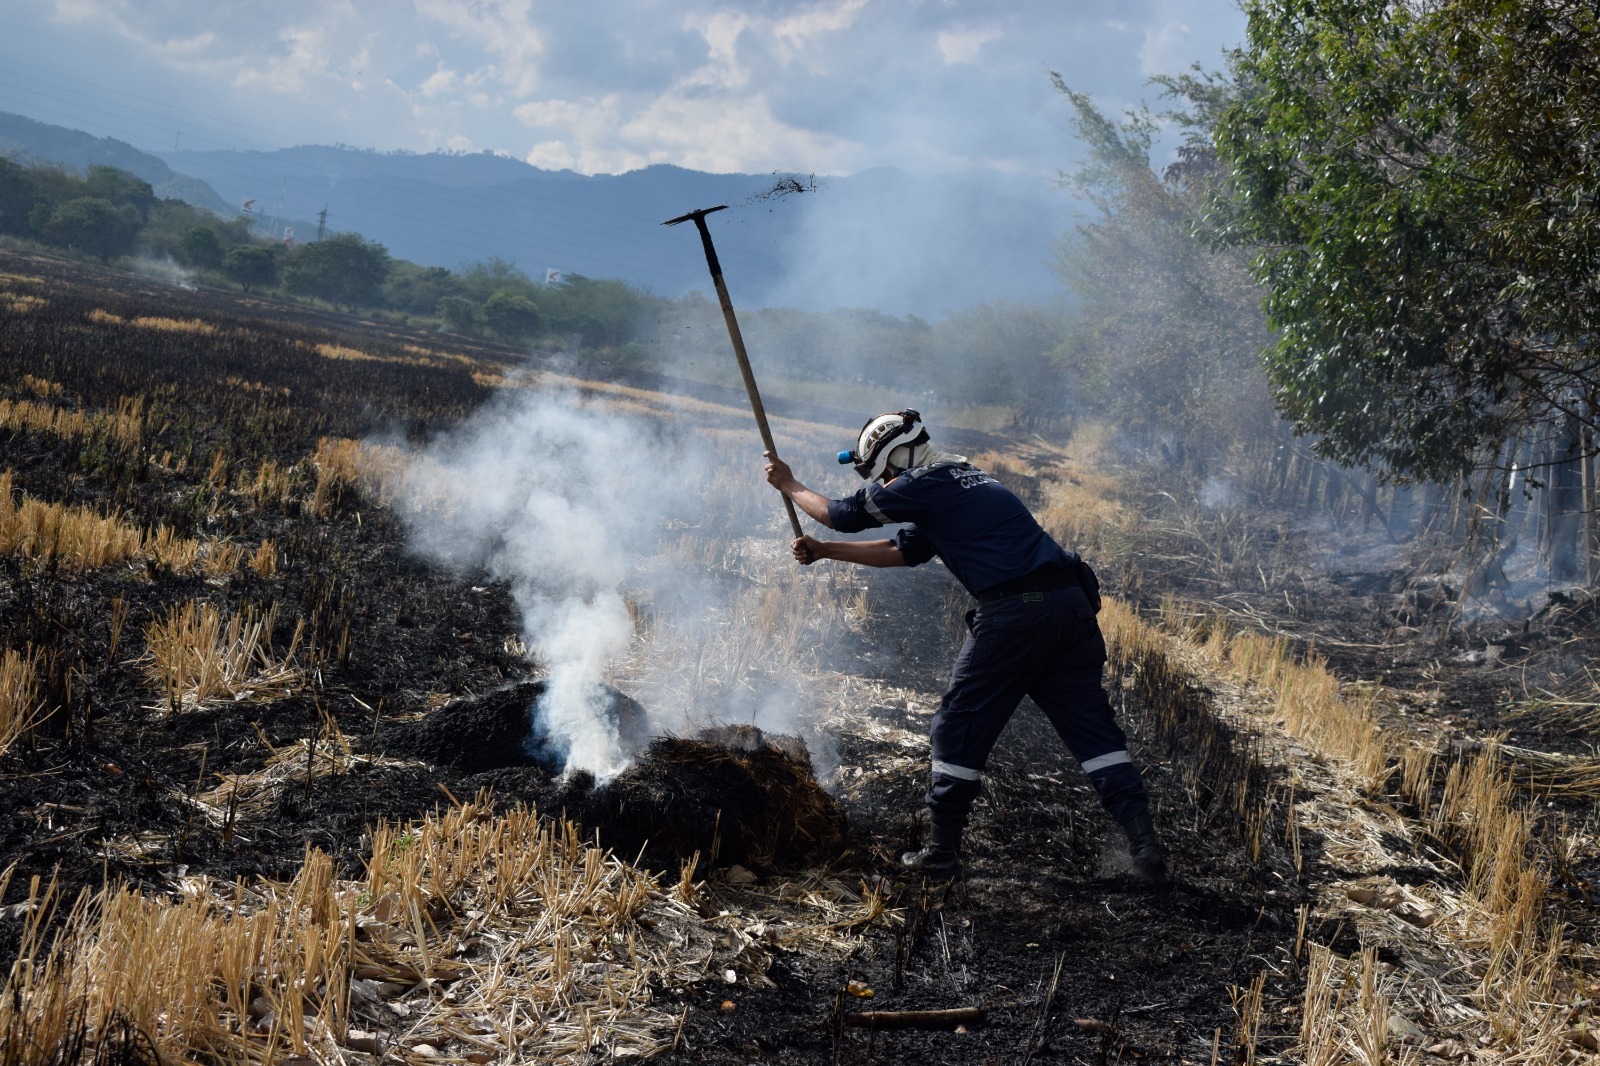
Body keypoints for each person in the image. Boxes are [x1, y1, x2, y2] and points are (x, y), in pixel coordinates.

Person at [763, 410, 1167, 883]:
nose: (888, 485)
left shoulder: (923, 481)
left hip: (1016, 615)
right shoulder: (967, 480)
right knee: (1094, 732)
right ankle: (1145, 847)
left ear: (900, 455)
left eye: (886, 473)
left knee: (956, 726)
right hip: (1070, 611)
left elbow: (842, 515)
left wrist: (788, 483)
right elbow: (904, 550)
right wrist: (825, 551)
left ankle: (940, 854)